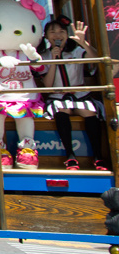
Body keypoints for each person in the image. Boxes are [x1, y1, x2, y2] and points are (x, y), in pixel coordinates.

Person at [38, 18, 109, 171]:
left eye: (61, 31)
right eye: (53, 32)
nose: (58, 35)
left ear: (67, 34)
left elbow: (96, 59)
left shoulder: (76, 51)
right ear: (46, 36)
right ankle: (70, 156)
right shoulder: (44, 56)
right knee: (61, 111)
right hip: (57, 96)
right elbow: (48, 85)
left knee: (89, 112)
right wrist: (54, 61)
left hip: (80, 94)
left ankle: (98, 156)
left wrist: (83, 42)